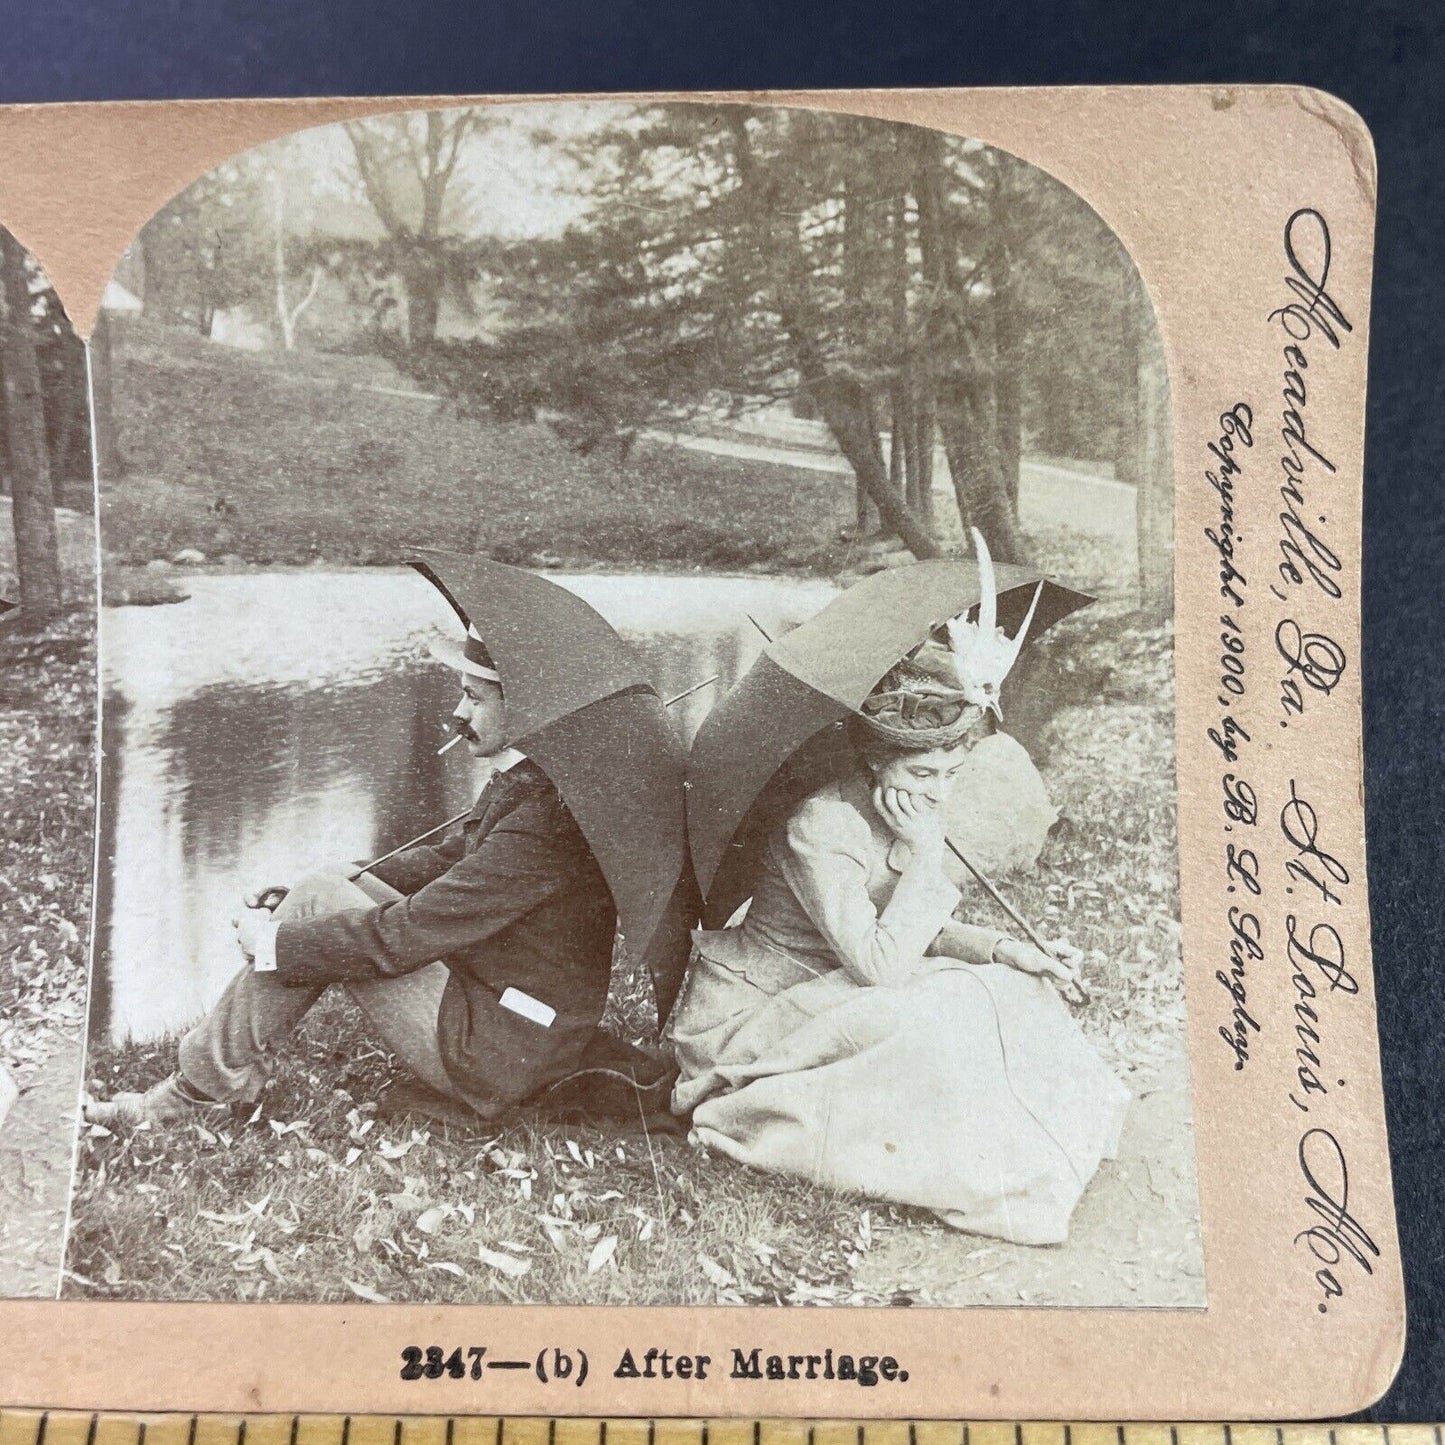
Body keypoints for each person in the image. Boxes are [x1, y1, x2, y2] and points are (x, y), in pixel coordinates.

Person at [668, 641, 1129, 1246]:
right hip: (763, 1010)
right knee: (919, 1023)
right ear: (876, 761)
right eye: (923, 774)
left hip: (838, 983)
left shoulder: (902, 807)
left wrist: (1008, 950)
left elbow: (908, 930)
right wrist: (928, 854)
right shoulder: (820, 824)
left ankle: (1028, 1138)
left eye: (951, 774)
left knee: (1017, 988)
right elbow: (881, 965)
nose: (939, 792)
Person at [85, 621, 621, 1128]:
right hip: (507, 1013)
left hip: (504, 1051)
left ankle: (194, 1094)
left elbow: (401, 935)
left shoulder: (546, 822)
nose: (458, 713)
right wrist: (345, 878)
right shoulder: (535, 782)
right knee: (327, 885)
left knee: (324, 901)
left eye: (475, 699)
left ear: (528, 708)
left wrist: (276, 943)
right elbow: (448, 860)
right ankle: (221, 1077)